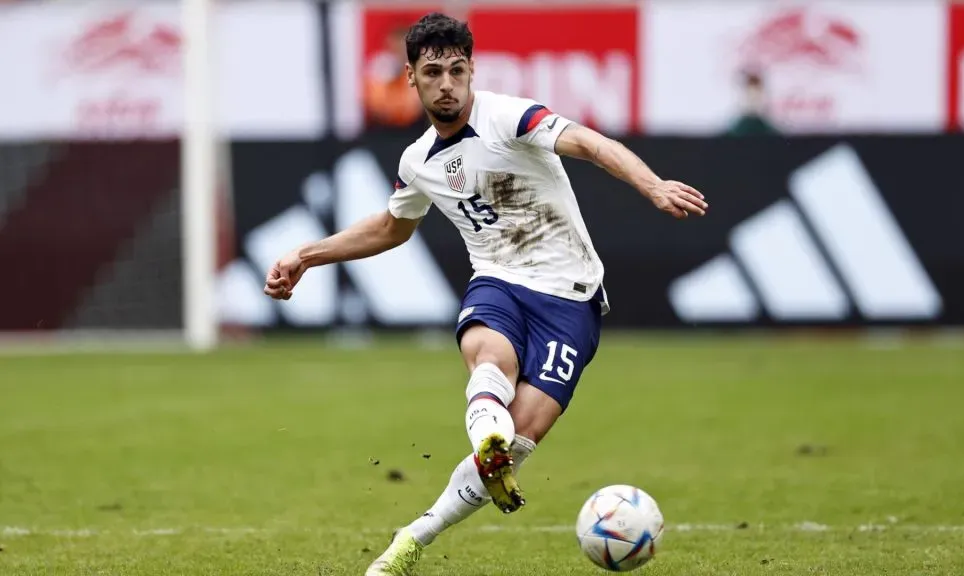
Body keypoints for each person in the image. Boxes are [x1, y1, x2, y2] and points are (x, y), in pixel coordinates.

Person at [262, 12, 707, 575]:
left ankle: (417, 532)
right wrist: (305, 255)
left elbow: (590, 144)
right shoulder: (418, 161)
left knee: (521, 437)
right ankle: (480, 455)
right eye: (433, 72)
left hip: (570, 299)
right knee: (489, 355)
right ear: (411, 78)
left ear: (471, 69)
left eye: (456, 70)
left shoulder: (511, 117)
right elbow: (391, 228)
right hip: (497, 279)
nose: (446, 83)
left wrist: (652, 184)